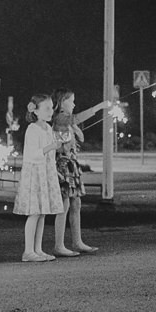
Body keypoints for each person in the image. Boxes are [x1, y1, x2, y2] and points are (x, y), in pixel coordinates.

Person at [51, 90, 108, 256]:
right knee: (65, 204)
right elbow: (77, 118)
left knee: (75, 203)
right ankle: (59, 245)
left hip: (71, 165)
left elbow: (80, 137)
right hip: (63, 165)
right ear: (62, 102)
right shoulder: (61, 117)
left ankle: (77, 242)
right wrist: (100, 107)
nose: (74, 104)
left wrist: (75, 129)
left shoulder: (67, 121)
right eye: (71, 101)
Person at [16, 94, 64, 262]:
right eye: (47, 108)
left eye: (51, 108)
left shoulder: (47, 128)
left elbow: (48, 155)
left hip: (45, 173)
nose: (51, 111)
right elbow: (31, 155)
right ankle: (28, 251)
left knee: (42, 213)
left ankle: (38, 249)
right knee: (35, 212)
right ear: (35, 111)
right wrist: (51, 146)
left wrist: (53, 165)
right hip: (35, 175)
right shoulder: (32, 129)